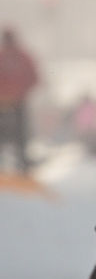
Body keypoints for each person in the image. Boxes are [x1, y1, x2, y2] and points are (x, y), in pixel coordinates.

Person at [0, 28, 39, 173]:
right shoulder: (22, 56)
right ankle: (22, 164)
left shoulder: (19, 56)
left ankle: (22, 164)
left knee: (19, 135)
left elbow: (34, 77)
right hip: (15, 102)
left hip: (13, 102)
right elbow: (34, 78)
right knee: (20, 135)